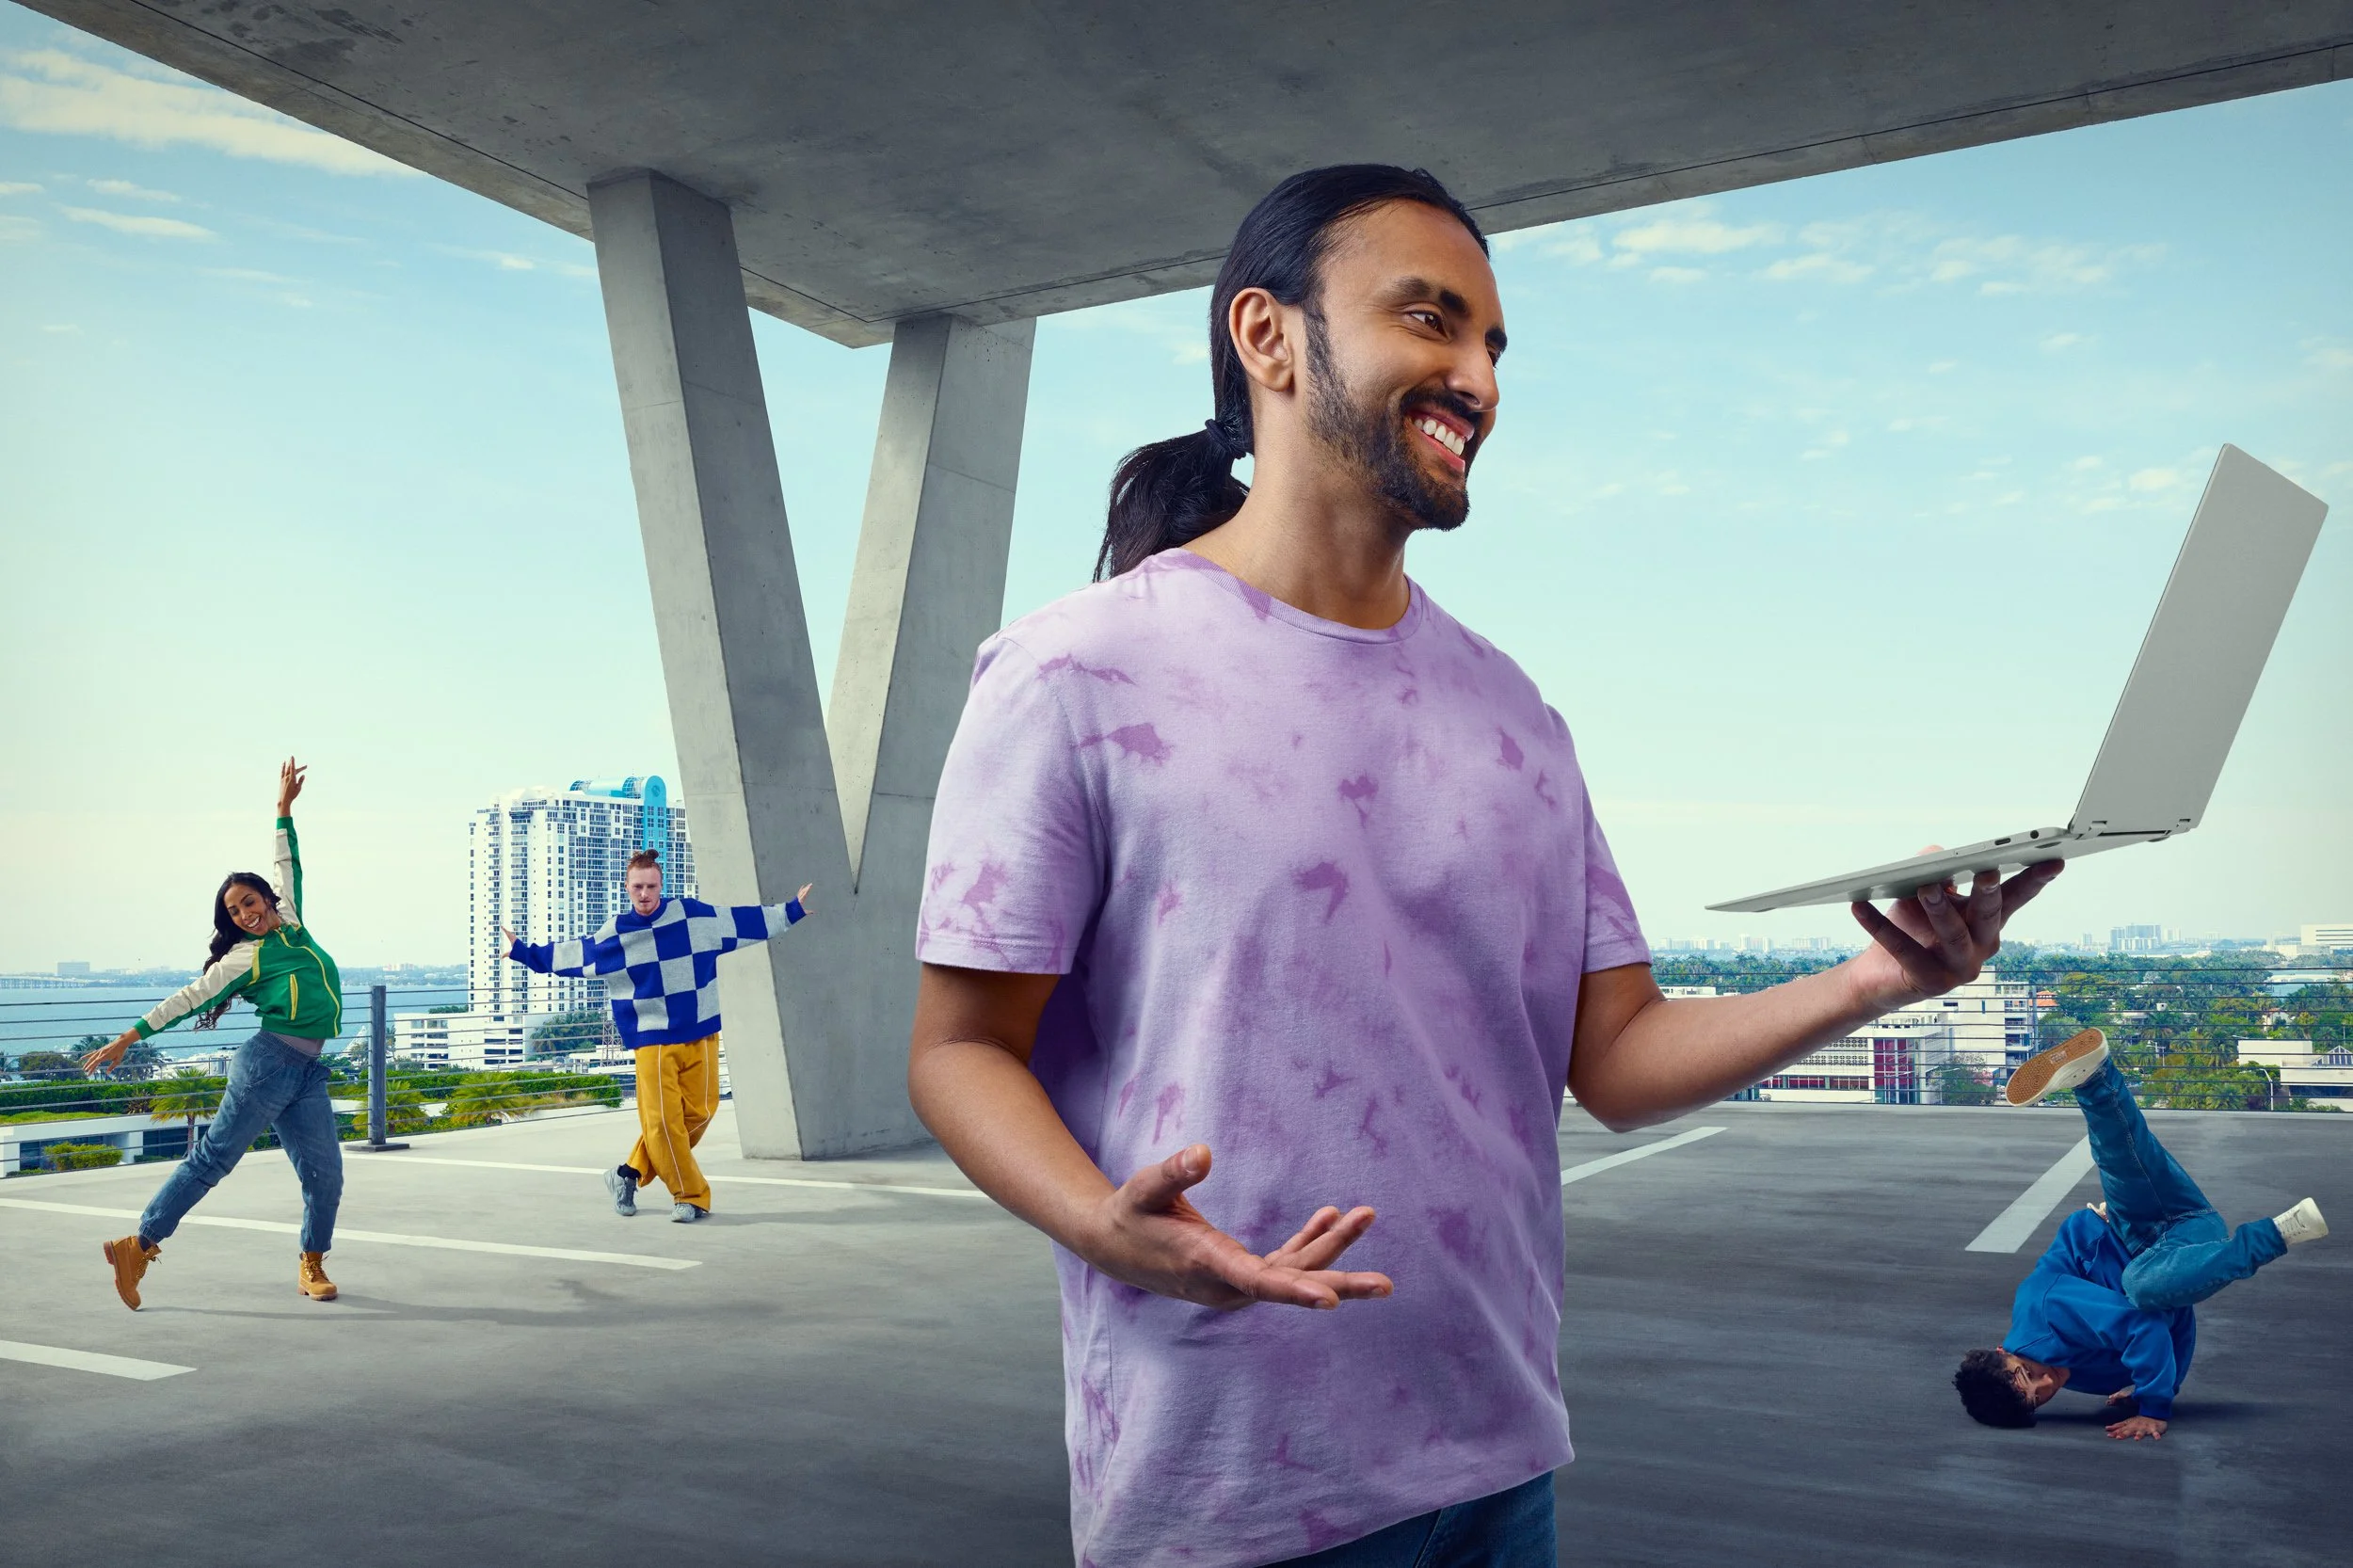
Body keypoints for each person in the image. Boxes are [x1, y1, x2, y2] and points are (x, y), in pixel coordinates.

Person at [905, 163, 2065, 1568]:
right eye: (1431, 320)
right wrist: (1107, 1225)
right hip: (1227, 1481)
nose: (1477, 378)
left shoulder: (1517, 715)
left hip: (1499, 1458)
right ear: (1266, 338)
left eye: (1495, 346)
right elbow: (961, 1048)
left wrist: (1887, 972)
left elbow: (1618, 1053)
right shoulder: (1077, 670)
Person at [1952, 1028, 2327, 1440]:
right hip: (2178, 1254)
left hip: (2135, 1229)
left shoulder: (2044, 1310)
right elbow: (2175, 1322)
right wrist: (2160, 1388)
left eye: (2028, 1374)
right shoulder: (2071, 1371)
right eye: (2039, 1398)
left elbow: (2144, 1327)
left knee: (2121, 1158)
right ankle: (2094, 1081)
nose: (2047, 1383)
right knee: (2149, 1289)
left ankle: (2092, 1075)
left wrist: (2154, 1407)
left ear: (2003, 1351)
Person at [82, 759, 349, 1309]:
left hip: (306, 1072)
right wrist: (130, 1037)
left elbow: (288, 863)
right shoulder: (242, 958)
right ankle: (139, 1244)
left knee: (326, 1176)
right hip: (269, 1066)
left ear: (266, 900)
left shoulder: (294, 923)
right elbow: (187, 1000)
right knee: (214, 1160)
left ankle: (311, 1262)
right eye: (233, 910)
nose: (245, 913)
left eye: (249, 901)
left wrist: (283, 810)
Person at [504, 849, 810, 1223]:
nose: (644, 894)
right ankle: (691, 1196)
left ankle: (628, 1174)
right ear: (627, 888)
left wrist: (790, 911)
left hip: (701, 1029)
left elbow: (738, 922)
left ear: (661, 885)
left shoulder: (693, 917)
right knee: (663, 1124)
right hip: (651, 1038)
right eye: (637, 887)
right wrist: (523, 952)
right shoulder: (617, 933)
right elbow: (577, 954)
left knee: (699, 1114)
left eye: (651, 886)